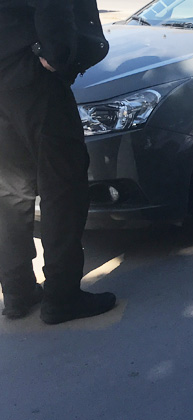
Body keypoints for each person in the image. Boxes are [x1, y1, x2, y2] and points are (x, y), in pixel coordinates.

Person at [0, 0, 117, 324]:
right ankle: (62, 297)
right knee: (63, 188)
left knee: (11, 191)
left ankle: (17, 290)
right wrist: (57, 54)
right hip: (32, 76)